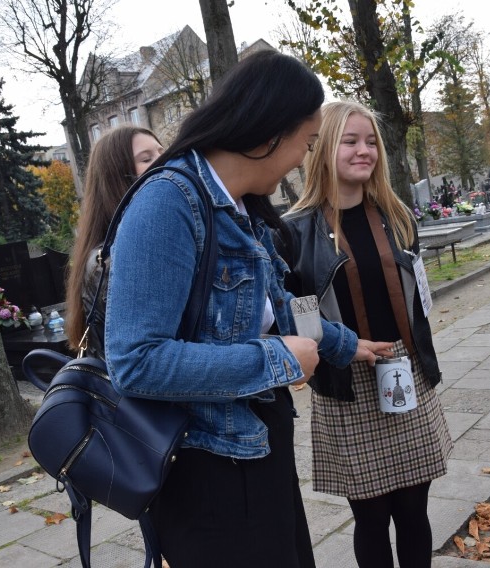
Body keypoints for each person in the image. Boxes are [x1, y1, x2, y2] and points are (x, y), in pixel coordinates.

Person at [103, 52, 391, 568]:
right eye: (306, 142)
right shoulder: (166, 203)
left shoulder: (239, 206)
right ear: (269, 133)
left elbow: (279, 308)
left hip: (256, 442)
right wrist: (276, 361)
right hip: (208, 469)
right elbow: (135, 361)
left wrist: (347, 344)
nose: (306, 158)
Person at [281, 101, 453, 568]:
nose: (365, 151)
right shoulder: (294, 233)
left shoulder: (396, 216)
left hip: (404, 372)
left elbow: (417, 297)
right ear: (323, 149)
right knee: (372, 519)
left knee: (414, 512)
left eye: (371, 141)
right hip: (347, 384)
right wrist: (338, 348)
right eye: (350, 141)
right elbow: (298, 316)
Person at [65, 125, 164, 358]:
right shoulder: (110, 262)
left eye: (162, 151)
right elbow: (147, 356)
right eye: (147, 159)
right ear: (117, 179)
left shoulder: (153, 240)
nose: (165, 161)